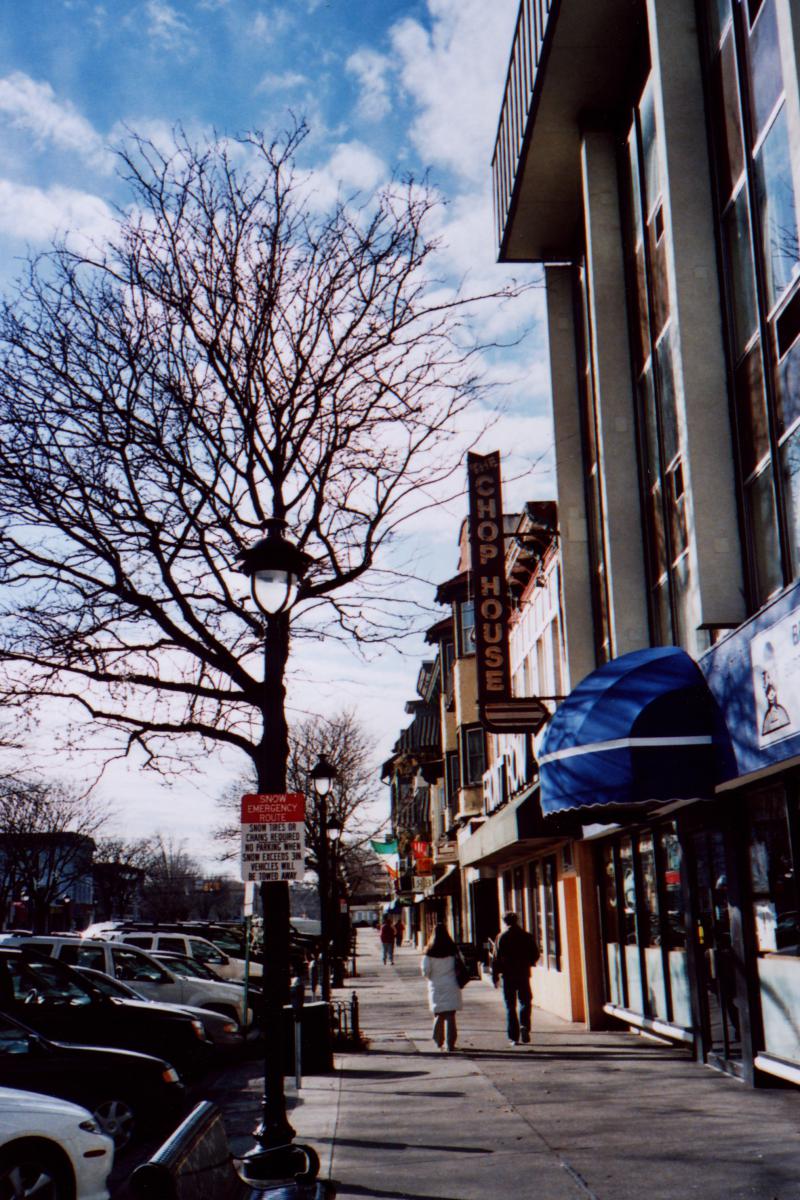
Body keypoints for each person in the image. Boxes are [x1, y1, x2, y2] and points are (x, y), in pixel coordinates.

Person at [491, 911, 540, 1046]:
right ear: (516, 920)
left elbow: (496, 958)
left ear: (504, 922)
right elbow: (535, 954)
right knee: (525, 1000)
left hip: (508, 975)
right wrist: (529, 962)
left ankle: (513, 1036)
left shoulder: (501, 937)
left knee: (510, 1005)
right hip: (523, 973)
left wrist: (495, 975)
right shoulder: (526, 936)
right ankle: (524, 1025)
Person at [420, 923, 463, 1052]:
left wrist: (431, 977)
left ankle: (438, 1040)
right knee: (450, 1014)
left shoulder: (429, 951)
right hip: (452, 984)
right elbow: (461, 963)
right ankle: (451, 1043)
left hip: (436, 985)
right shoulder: (453, 950)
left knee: (439, 1013)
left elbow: (425, 971)